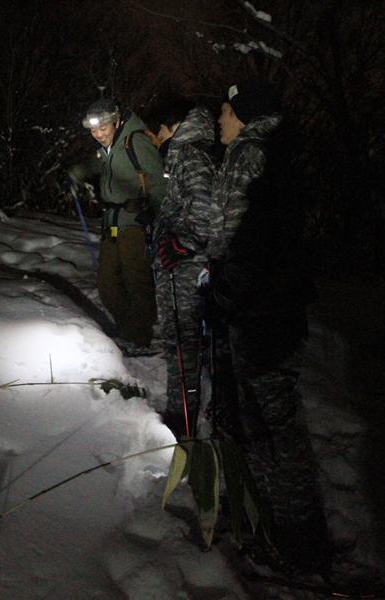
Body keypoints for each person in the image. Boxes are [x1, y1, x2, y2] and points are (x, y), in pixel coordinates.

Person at [206, 80, 328, 575]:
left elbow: (237, 238)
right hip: (276, 308)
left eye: (225, 112)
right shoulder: (280, 155)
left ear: (244, 114)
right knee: (271, 424)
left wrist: (222, 293)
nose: (219, 120)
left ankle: (297, 541)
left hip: (259, 314)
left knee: (272, 426)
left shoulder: (249, 155)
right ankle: (283, 529)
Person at [68, 99, 165, 349]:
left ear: (116, 121)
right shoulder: (109, 147)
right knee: (107, 283)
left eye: (103, 128)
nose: (98, 135)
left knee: (136, 281)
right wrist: (79, 172)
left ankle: (140, 336)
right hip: (111, 222)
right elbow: (100, 163)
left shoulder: (136, 142)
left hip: (135, 222)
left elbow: (158, 182)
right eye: (93, 130)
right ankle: (128, 328)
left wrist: (152, 212)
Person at [152, 104, 220, 438]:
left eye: (161, 132)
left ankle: (183, 418)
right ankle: (179, 411)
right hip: (178, 265)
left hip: (186, 267)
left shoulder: (190, 156)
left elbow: (203, 210)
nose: (157, 139)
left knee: (184, 341)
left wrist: (180, 244)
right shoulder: (183, 155)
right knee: (178, 339)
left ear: (176, 126)